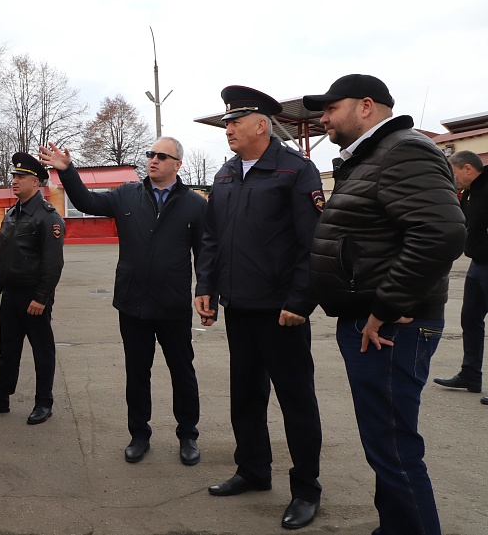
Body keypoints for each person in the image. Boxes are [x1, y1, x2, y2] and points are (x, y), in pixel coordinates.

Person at [303, 74, 466, 535]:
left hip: (391, 327)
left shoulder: (403, 150)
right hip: (375, 322)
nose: (323, 119)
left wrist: (386, 306)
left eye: (331, 108)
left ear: (366, 106)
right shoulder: (373, 155)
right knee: (384, 445)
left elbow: (441, 233)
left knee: (394, 450)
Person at [194, 85, 324, 531]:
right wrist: (207, 286)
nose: (227, 129)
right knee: (246, 395)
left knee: (296, 401)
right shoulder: (226, 174)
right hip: (239, 306)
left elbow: (313, 243)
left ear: (261, 125)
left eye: (235, 122)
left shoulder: (295, 170)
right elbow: (211, 237)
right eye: (227, 122)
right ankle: (252, 470)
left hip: (281, 311)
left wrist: (301, 301)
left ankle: (306, 489)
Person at [38, 137, 210, 466]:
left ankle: (188, 435)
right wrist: (68, 170)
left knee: (182, 372)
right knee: (137, 373)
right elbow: (87, 201)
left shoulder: (194, 204)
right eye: (151, 154)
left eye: (162, 156)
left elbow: (205, 254)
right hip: (133, 303)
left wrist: (206, 291)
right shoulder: (127, 195)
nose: (153, 160)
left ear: (178, 164)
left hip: (173, 305)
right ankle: (139, 434)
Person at [0, 152, 65, 425]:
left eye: (21, 177)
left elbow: (53, 263)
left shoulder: (48, 217)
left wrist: (41, 298)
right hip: (11, 295)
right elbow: (5, 256)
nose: (14, 180)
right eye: (14, 176)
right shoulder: (12, 214)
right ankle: (1, 397)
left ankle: (44, 402)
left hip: (34, 296)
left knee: (42, 351)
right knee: (8, 349)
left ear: (35, 182)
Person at [433, 150, 488, 403]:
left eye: (453, 173)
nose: (452, 179)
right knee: (470, 319)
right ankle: (470, 375)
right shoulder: (469, 192)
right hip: (477, 265)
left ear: (468, 168)